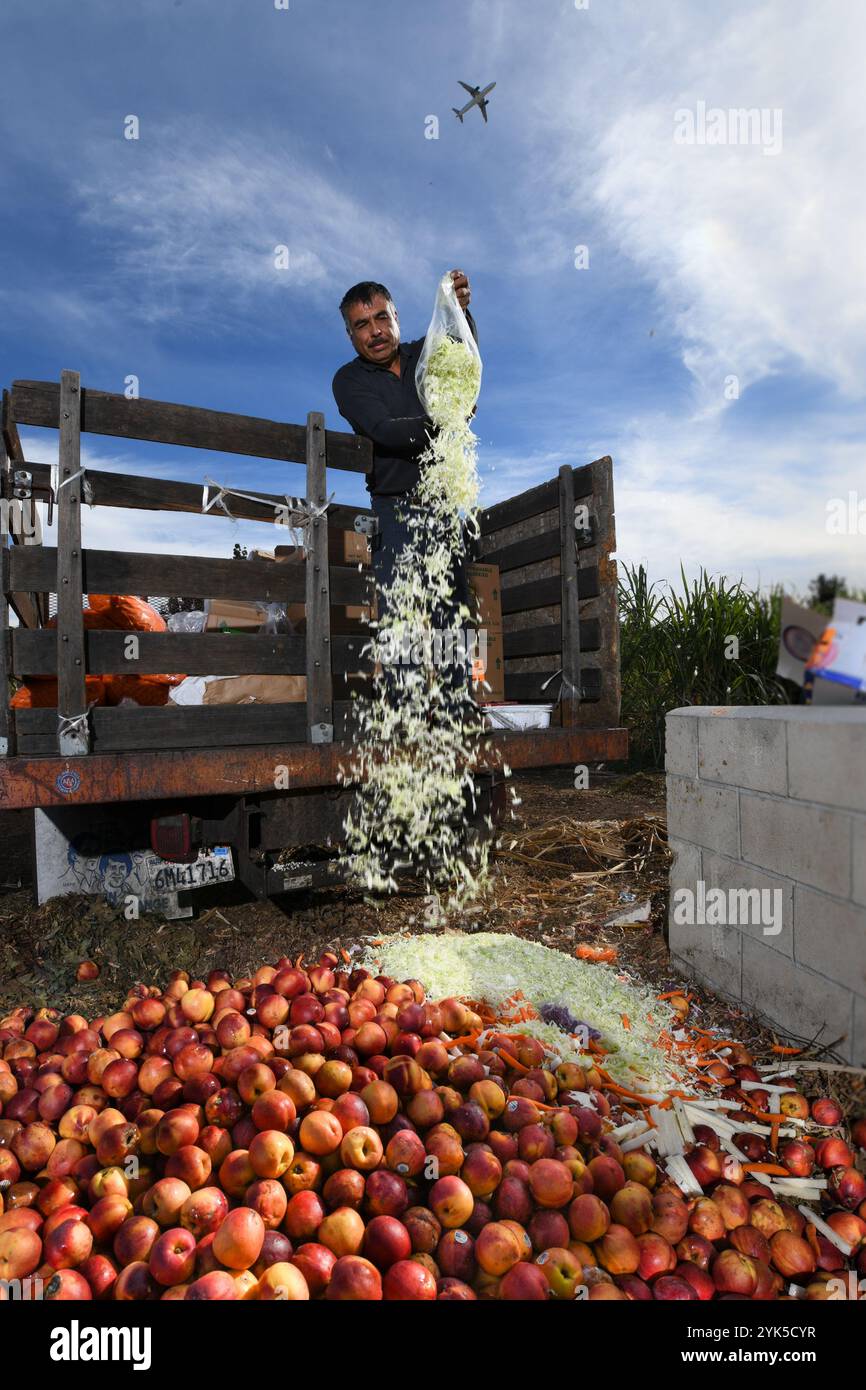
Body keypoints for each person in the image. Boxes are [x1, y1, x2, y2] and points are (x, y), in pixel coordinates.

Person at [332, 271, 479, 702]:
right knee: (402, 614)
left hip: (443, 502)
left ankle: (457, 707)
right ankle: (406, 711)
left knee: (451, 613)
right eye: (362, 325)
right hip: (394, 510)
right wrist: (448, 420)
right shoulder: (350, 380)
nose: (375, 331)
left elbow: (464, 366)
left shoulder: (426, 355)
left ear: (396, 316)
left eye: (381, 318)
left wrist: (461, 310)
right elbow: (384, 431)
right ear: (351, 334)